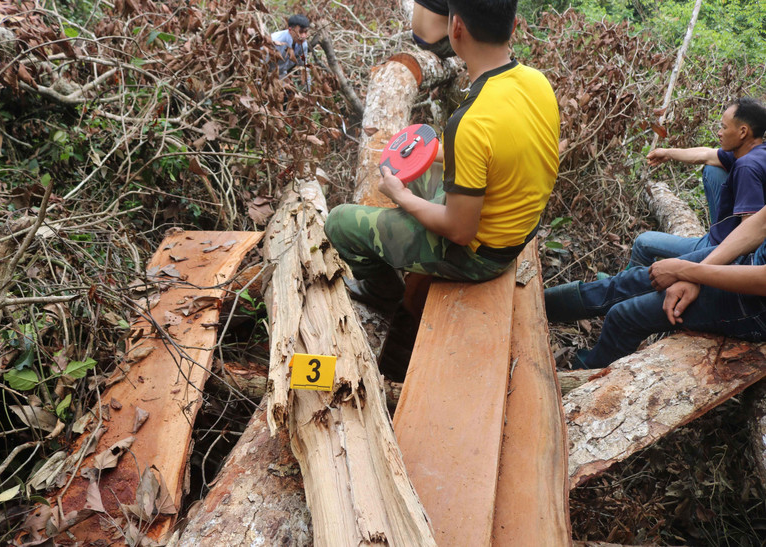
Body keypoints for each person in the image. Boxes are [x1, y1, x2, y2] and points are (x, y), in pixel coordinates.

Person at [325, 0, 560, 311]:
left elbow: (460, 231)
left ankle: (383, 292)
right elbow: (498, 151)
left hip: (481, 257)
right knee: (412, 168)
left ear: (456, 27)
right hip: (516, 227)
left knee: (339, 222)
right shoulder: (536, 81)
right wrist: (430, 152)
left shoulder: (470, 122)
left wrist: (401, 196)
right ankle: (401, 234)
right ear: (513, 25)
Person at [544, 204, 766, 369]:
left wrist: (684, 271)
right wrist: (695, 275)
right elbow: (760, 224)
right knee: (629, 281)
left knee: (624, 316)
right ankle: (540, 308)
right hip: (748, 258)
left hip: (756, 302)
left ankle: (584, 377)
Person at [629, 97, 766, 268]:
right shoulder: (756, 154)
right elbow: (705, 154)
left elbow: (749, 236)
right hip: (725, 236)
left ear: (743, 132)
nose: (719, 132)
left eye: (724, 127)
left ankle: (627, 281)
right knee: (712, 169)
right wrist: (667, 153)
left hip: (724, 250)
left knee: (643, 242)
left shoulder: (746, 167)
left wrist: (703, 267)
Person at [270, 15, 310, 82]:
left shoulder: (303, 44)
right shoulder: (275, 40)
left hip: (282, 75)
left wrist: (308, 85)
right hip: (266, 73)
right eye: (300, 32)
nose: (304, 36)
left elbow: (303, 65)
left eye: (306, 32)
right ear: (290, 30)